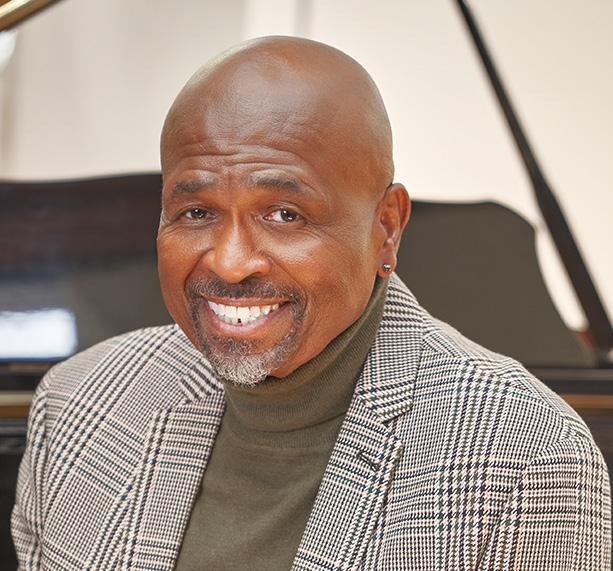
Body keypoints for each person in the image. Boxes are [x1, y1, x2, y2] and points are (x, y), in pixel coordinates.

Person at [12, 36, 610, 570]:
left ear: (386, 228)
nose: (230, 262)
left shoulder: (524, 455)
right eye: (195, 212)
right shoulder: (79, 404)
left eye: (284, 214)